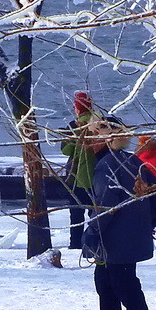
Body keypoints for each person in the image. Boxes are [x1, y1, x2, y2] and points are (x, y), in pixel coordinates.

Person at [82, 118, 156, 310]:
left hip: (117, 236)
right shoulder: (132, 160)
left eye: (92, 135)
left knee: (123, 282)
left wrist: (92, 232)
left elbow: (105, 205)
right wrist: (149, 223)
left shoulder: (107, 165)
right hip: (128, 232)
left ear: (105, 138)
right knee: (104, 279)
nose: (88, 141)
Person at [59, 91, 99, 250]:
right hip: (97, 175)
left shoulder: (74, 126)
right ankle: (95, 243)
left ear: (78, 108)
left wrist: (68, 139)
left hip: (77, 177)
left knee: (76, 215)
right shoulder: (100, 122)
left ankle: (75, 244)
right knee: (95, 214)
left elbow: (66, 151)